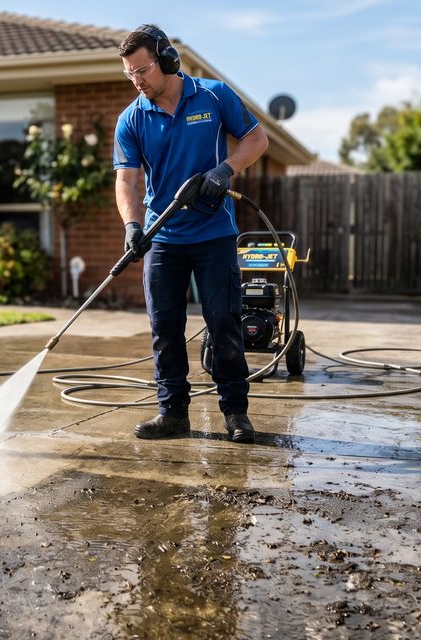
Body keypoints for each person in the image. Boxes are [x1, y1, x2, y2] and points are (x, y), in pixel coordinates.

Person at [112, 24, 269, 442]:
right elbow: (126, 181)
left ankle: (236, 413)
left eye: (142, 70)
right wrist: (132, 225)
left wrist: (225, 169)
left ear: (167, 60)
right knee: (165, 328)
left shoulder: (214, 95)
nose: (137, 80)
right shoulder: (132, 119)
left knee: (224, 324)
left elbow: (257, 140)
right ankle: (173, 414)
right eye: (130, 73)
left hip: (214, 233)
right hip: (163, 238)